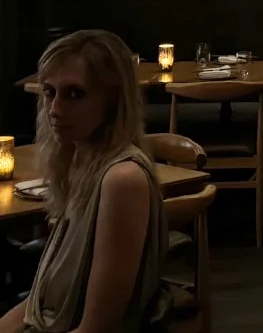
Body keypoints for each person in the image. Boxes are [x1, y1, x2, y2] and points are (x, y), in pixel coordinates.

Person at [0, 30, 167, 333]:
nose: (55, 110)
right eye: (49, 92)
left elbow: (96, 328)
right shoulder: (80, 160)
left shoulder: (122, 179)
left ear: (114, 101)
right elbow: (37, 302)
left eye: (75, 94)